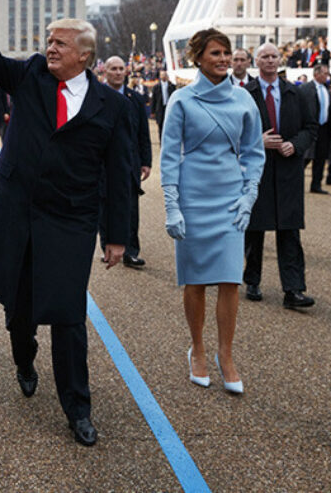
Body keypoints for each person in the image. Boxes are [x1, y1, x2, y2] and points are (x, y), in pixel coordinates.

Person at [0, 0, 132, 447]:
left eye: (61, 43)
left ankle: (78, 409)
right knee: (19, 306)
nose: (51, 47)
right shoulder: (28, 75)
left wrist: (117, 235)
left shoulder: (112, 105)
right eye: (49, 40)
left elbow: (120, 175)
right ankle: (24, 358)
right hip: (17, 211)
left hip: (71, 219)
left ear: (85, 55)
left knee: (67, 315)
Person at [160, 29, 264, 394]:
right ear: (198, 58)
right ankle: (198, 349)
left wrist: (249, 194)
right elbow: (170, 155)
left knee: (231, 279)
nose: (223, 59)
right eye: (216, 53)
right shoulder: (181, 100)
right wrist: (172, 206)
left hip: (229, 200)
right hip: (192, 197)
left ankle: (227, 355)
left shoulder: (244, 100)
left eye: (227, 53)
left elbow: (254, 152)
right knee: (196, 279)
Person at [243, 43, 318, 309]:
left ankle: (294, 289)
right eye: (265, 56)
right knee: (254, 229)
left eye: (274, 56)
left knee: (290, 231)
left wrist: (295, 145)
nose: (270, 60)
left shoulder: (295, 93)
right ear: (257, 61)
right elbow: (232, 131)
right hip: (257, 169)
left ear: (280, 59)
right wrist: (256, 141)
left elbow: (310, 128)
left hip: (288, 171)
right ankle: (252, 280)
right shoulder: (244, 94)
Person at [100, 56, 152, 268]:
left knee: (130, 208)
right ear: (106, 72)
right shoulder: (95, 95)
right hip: (101, 163)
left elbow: (143, 133)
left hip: (128, 162)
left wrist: (146, 161)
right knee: (104, 206)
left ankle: (131, 250)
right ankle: (107, 246)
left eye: (122, 68)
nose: (118, 72)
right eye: (114, 68)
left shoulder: (135, 99)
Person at [300, 62, 331, 194]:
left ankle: (316, 184)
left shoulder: (327, 90)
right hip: (309, 128)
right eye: (325, 73)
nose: (327, 76)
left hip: (324, 129)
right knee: (305, 158)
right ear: (316, 74)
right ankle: (294, 182)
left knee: (321, 159)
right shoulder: (305, 88)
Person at [151, 69, 173, 141]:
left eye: (165, 75)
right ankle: (162, 142)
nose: (164, 76)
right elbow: (153, 99)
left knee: (169, 126)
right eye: (162, 75)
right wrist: (152, 111)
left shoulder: (171, 86)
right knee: (160, 127)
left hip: (169, 108)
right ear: (160, 76)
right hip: (159, 109)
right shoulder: (156, 87)